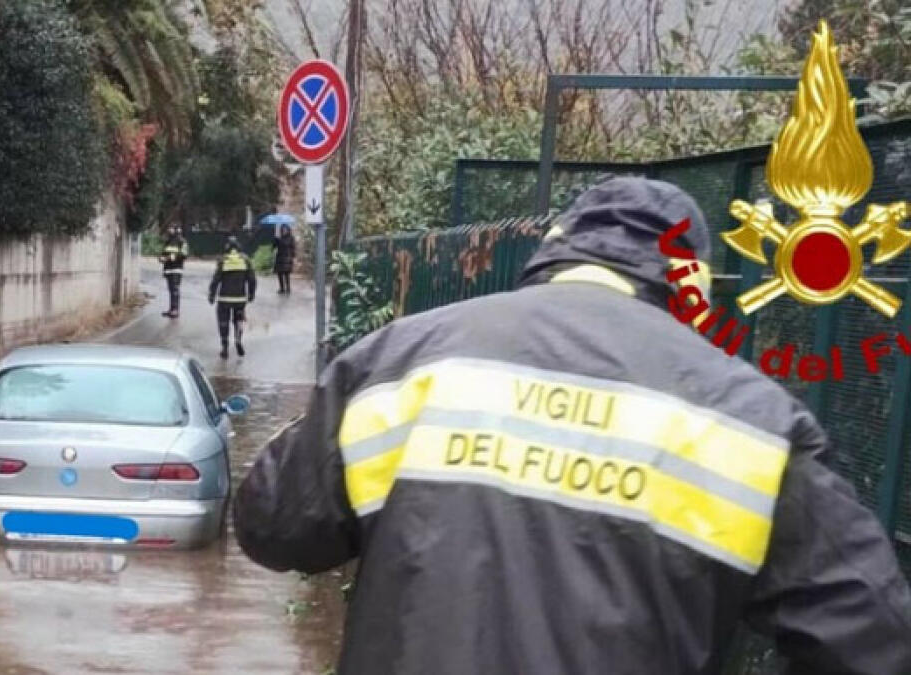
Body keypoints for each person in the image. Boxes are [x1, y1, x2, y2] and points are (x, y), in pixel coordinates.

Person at [231, 177, 911, 675]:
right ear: (691, 286)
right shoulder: (750, 424)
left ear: (553, 252)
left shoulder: (406, 363)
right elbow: (877, 638)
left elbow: (272, 524)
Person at [208, 236, 256, 359]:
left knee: (223, 322)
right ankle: (238, 340)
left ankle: (225, 346)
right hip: (240, 299)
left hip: (224, 299)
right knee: (239, 321)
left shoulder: (223, 260)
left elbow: (215, 280)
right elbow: (252, 279)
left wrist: (212, 295)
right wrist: (251, 294)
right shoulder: (245, 260)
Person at [158, 225, 188, 318]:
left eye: (171, 228)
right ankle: (171, 309)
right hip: (168, 269)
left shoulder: (182, 241)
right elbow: (163, 253)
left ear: (176, 230)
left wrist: (170, 258)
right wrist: (161, 258)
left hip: (176, 269)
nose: (169, 230)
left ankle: (175, 310)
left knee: (175, 290)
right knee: (171, 290)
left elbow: (184, 254)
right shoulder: (168, 241)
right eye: (169, 228)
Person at [272, 224, 297, 294]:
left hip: (287, 257)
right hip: (279, 257)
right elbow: (274, 246)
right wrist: (275, 240)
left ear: (288, 230)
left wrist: (293, 257)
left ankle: (288, 288)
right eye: (282, 230)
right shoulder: (279, 238)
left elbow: (291, 246)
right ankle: (282, 288)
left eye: (285, 230)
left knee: (286, 274)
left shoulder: (290, 238)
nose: (284, 231)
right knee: (279, 273)